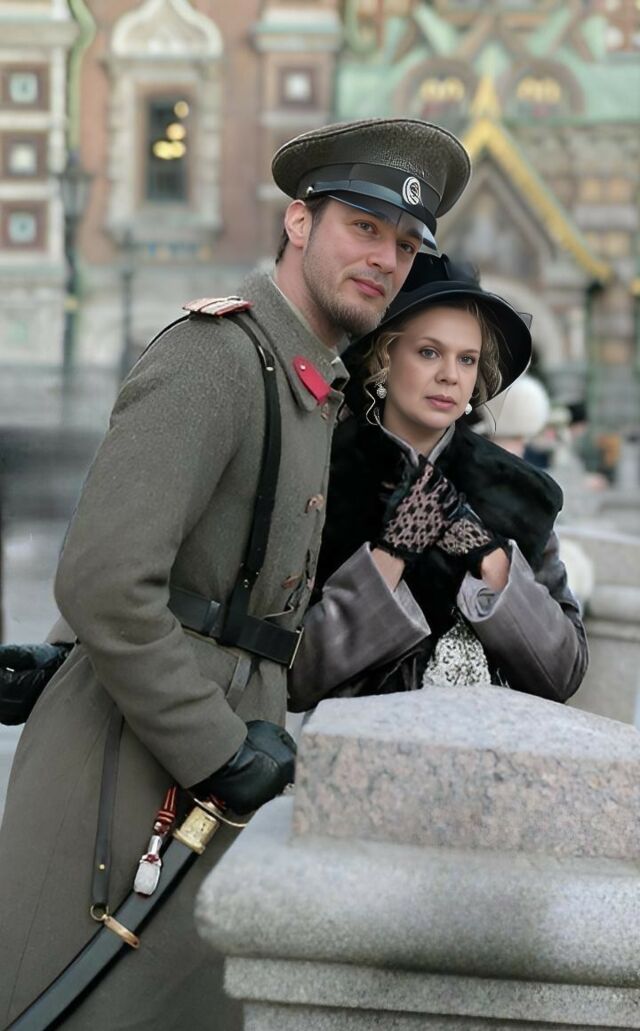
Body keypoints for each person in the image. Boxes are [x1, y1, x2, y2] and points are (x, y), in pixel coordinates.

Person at [0, 120, 470, 1030]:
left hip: (202, 759)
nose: (385, 258)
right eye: (363, 228)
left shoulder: (306, 382)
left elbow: (205, 581)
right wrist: (215, 748)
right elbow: (105, 578)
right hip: (138, 770)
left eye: (406, 245)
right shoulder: (215, 357)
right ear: (299, 222)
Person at [288, 254, 589, 710]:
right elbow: (294, 678)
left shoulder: (517, 491)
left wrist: (490, 558)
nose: (450, 375)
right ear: (385, 357)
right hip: (355, 748)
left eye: (467, 359)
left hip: (494, 745)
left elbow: (564, 673)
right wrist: (391, 555)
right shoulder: (323, 474)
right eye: (429, 352)